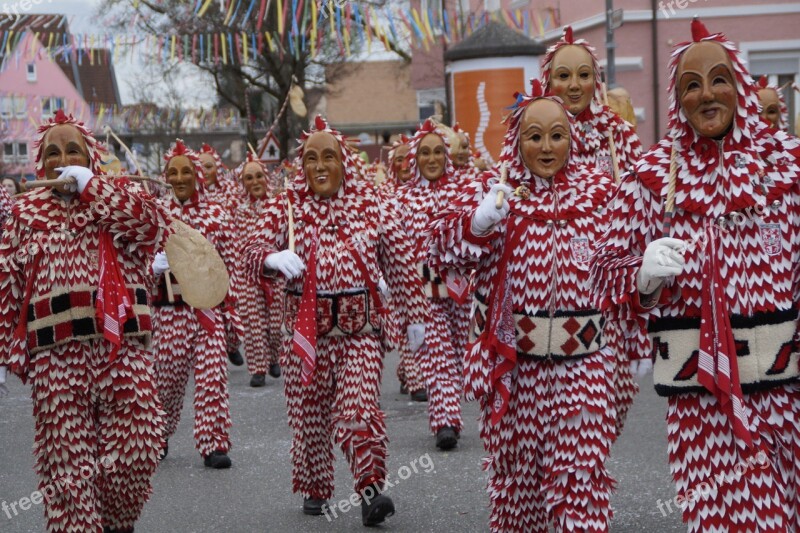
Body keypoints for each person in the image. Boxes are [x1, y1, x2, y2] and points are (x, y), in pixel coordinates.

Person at [590, 19, 800, 531]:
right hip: (699, 403)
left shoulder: (787, 167)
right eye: (692, 84)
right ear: (677, 98)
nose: (707, 94)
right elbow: (600, 274)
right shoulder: (652, 176)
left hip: (786, 398)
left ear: (741, 87)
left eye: (719, 79)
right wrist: (642, 277)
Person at [428, 80, 617, 532]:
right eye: (534, 136)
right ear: (518, 140)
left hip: (583, 367)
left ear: (573, 138)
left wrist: (645, 275)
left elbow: (623, 265)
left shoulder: (602, 195)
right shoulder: (495, 193)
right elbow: (438, 255)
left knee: (580, 481)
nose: (546, 146)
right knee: (519, 491)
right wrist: (476, 224)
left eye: (557, 135)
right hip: (516, 368)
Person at [243, 115, 429, 526]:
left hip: (359, 334)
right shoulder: (285, 205)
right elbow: (250, 249)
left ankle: (370, 488)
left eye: (329, 156)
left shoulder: (373, 205)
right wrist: (270, 258)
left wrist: (415, 319)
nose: (321, 166)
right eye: (312, 158)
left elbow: (400, 267)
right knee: (309, 422)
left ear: (344, 162)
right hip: (305, 338)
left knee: (357, 411)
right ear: (302, 165)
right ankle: (314, 486)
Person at [0, 110, 168, 532]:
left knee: (141, 446)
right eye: (52, 152)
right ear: (41, 164)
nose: (62, 159)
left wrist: (96, 190)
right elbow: (6, 282)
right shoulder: (23, 214)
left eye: (72, 150)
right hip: (55, 357)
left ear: (89, 158)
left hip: (122, 347)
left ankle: (116, 521)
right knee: (68, 471)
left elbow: (154, 230)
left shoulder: (116, 197)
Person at [542, 25, 645, 435]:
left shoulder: (618, 135)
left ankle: (580, 474)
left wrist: (641, 324)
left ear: (596, 79)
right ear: (548, 79)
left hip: (610, 287)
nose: (573, 85)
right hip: (550, 286)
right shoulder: (529, 130)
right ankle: (570, 483)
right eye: (563, 75)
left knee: (611, 406)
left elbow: (641, 218)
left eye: (583, 74)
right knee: (565, 414)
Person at [151, 139, 238, 469]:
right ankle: (158, 433)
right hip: (168, 312)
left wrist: (231, 317)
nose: (179, 178)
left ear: (197, 176)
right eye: (173, 172)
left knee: (212, 377)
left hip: (206, 311)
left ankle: (213, 443)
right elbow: (135, 269)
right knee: (166, 382)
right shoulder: (155, 215)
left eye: (186, 171)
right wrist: (152, 267)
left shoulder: (217, 215)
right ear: (165, 177)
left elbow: (230, 268)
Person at [394, 118, 471, 450]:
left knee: (458, 357)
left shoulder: (464, 192)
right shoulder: (401, 200)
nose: (432, 159)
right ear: (415, 158)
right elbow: (393, 246)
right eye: (425, 153)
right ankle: (445, 423)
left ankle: (453, 413)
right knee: (436, 355)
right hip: (423, 293)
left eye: (438, 152)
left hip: (463, 291)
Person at [230, 153, 282, 387]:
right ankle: (258, 368)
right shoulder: (238, 210)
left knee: (275, 324)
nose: (254, 181)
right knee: (254, 324)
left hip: (277, 274)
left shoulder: (279, 206)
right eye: (249, 178)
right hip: (248, 275)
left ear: (266, 178)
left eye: (258, 176)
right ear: (243, 183)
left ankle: (274, 357)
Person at [198, 143, 245, 367]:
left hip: (226, 254)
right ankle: (210, 347)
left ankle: (232, 343)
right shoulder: (192, 193)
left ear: (217, 167)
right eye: (200, 166)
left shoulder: (230, 191)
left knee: (230, 306)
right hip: (200, 264)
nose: (205, 171)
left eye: (209, 166)